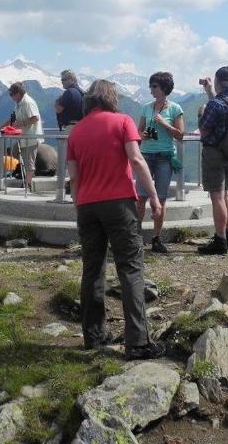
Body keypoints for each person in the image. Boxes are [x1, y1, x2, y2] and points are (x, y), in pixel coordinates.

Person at [67, 79, 165, 361]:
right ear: (111, 98)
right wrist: (154, 197)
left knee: (92, 269)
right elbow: (135, 160)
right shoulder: (123, 122)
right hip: (119, 203)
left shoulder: (76, 133)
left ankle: (94, 336)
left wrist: (79, 205)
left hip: (86, 205)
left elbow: (74, 177)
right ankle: (138, 342)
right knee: (130, 268)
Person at [136, 71, 184, 254]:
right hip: (146, 155)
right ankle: (136, 237)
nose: (151, 89)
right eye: (151, 86)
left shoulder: (175, 108)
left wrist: (164, 123)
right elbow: (138, 132)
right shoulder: (146, 107)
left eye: (154, 86)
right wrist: (142, 135)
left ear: (164, 88)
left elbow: (180, 135)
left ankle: (157, 238)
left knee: (161, 199)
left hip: (164, 157)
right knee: (140, 197)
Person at [196, 66, 228, 255]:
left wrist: (201, 113)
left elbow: (204, 129)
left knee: (216, 197)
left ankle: (220, 240)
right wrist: (209, 91)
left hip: (214, 152)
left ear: (217, 81)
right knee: (226, 195)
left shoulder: (214, 104)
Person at [0, 82, 43, 191]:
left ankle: (28, 185)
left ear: (18, 93)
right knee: (19, 157)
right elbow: (13, 119)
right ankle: (26, 181)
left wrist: (21, 123)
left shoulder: (28, 102)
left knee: (29, 162)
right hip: (23, 137)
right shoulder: (19, 103)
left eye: (12, 94)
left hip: (31, 137)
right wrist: (0, 126)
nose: (11, 97)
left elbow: (35, 118)